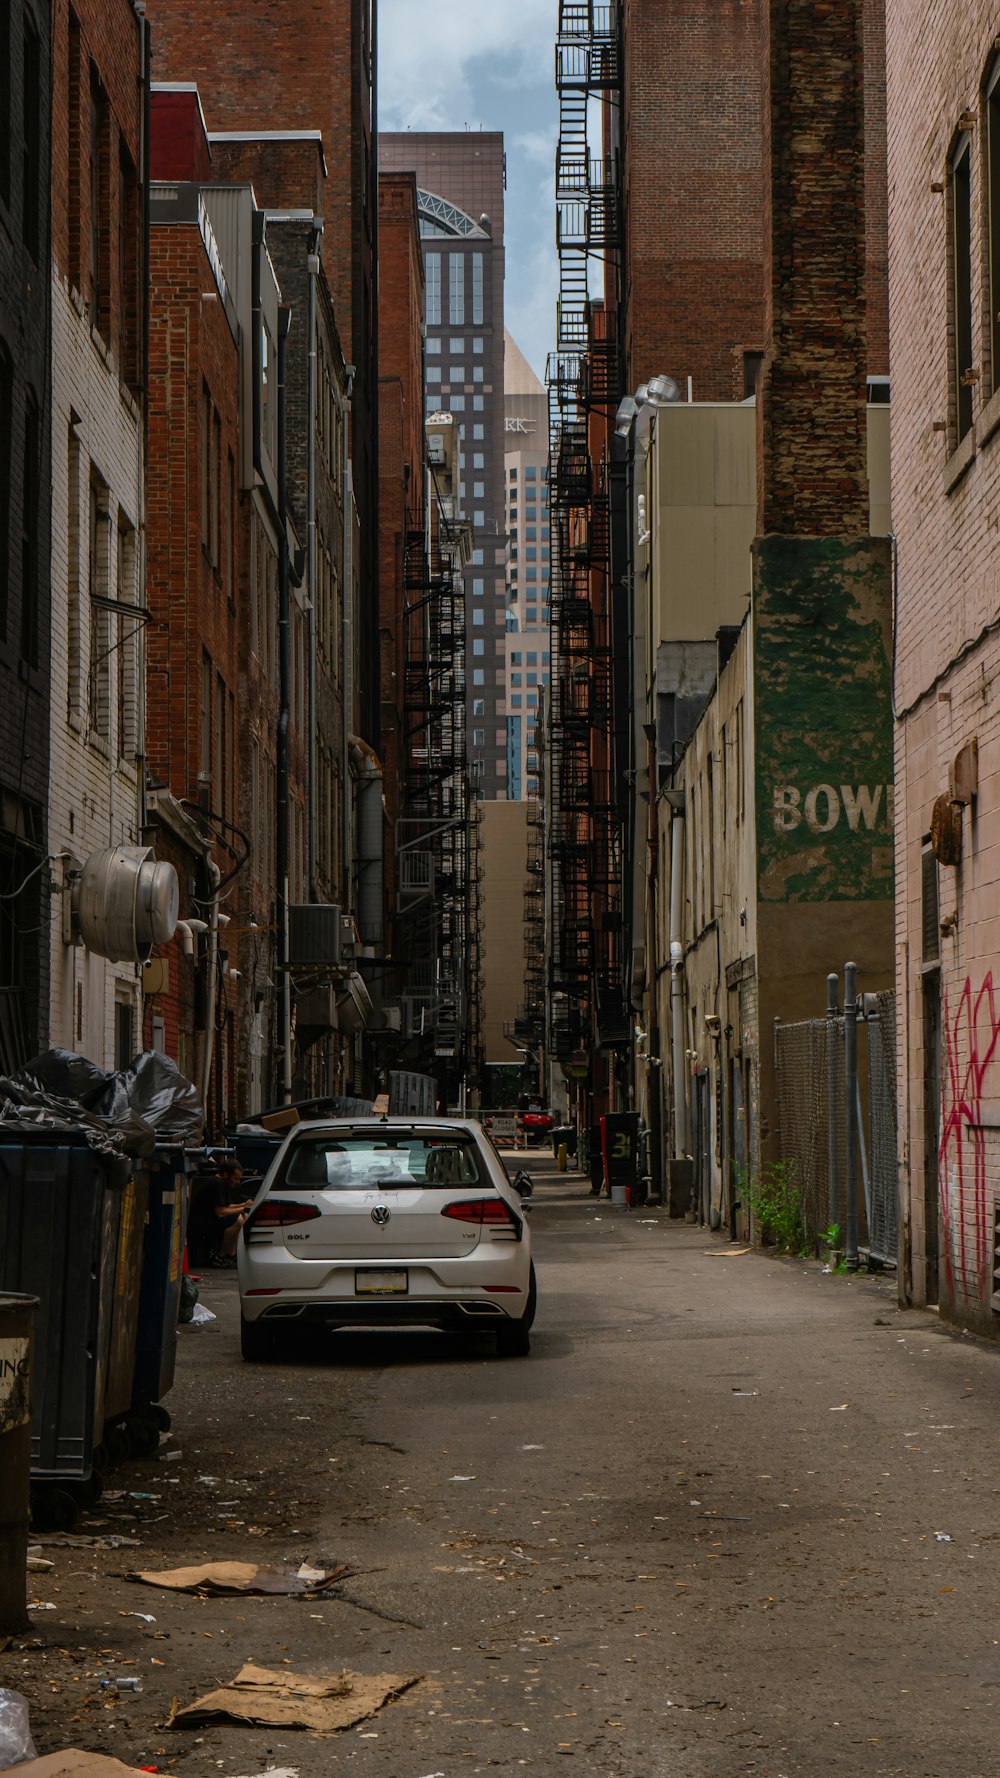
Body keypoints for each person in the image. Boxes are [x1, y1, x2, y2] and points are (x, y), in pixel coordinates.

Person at [186, 1157, 253, 1269]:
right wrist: (242, 1209)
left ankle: (231, 1255)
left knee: (243, 1216)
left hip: (209, 1219)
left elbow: (226, 1206)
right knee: (238, 1220)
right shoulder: (217, 1185)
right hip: (202, 1224)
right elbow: (221, 1212)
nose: (238, 1182)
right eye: (235, 1178)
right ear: (226, 1174)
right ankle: (222, 1256)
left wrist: (244, 1205)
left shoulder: (222, 1183)